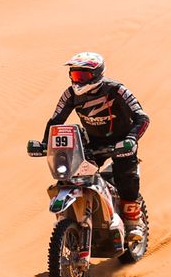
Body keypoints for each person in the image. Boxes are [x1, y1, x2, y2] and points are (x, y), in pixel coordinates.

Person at [43, 51, 151, 236]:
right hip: (92, 142)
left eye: (82, 75)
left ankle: (134, 222)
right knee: (72, 175)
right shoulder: (70, 94)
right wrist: (45, 144)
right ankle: (73, 217)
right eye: (74, 75)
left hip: (122, 141)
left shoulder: (117, 90)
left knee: (126, 176)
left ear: (97, 74)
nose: (77, 80)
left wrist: (132, 139)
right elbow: (55, 121)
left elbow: (143, 118)